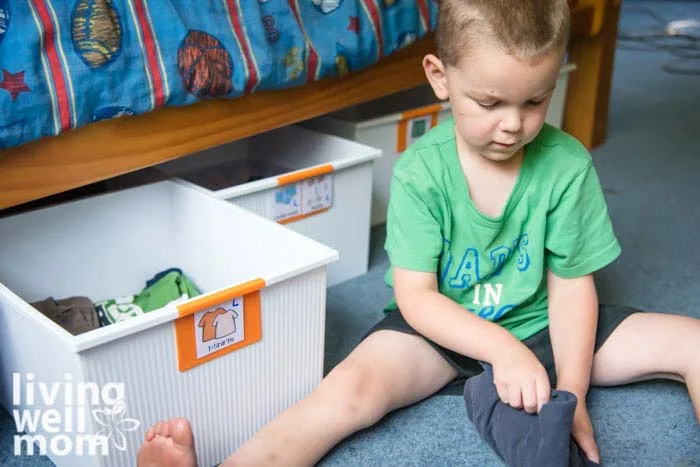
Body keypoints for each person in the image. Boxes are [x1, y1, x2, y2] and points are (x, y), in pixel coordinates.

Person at [137, 1, 700, 465]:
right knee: (346, 393)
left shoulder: (566, 164)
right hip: (440, 331)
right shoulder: (420, 171)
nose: (514, 123)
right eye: (489, 102)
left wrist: (572, 394)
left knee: (694, 342)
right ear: (439, 77)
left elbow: (573, 285)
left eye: (535, 100)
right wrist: (501, 350)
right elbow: (417, 297)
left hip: (546, 323)